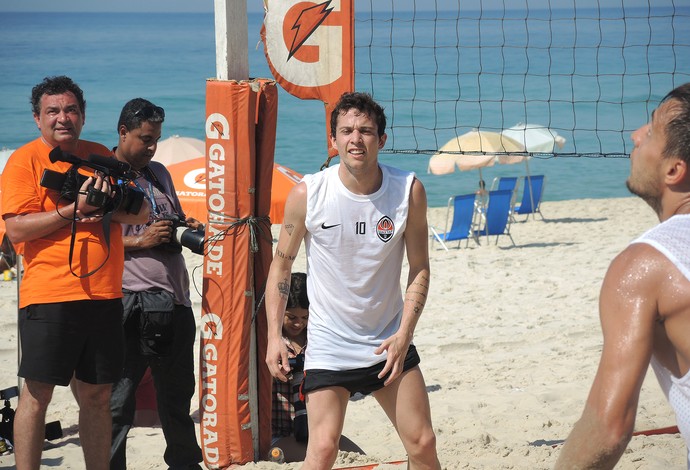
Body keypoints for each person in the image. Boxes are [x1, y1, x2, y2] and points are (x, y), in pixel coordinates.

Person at [265, 91, 441, 470]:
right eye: (346, 131)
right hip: (330, 344)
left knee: (423, 443)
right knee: (323, 449)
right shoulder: (308, 194)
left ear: (382, 139)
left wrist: (405, 333)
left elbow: (420, 267)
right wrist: (273, 337)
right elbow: (280, 267)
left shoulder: (408, 191)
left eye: (365, 130)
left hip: (387, 339)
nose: (355, 139)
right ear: (333, 140)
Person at [1, 76, 150, 470]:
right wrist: (73, 210)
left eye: (70, 110)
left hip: (103, 293)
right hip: (49, 295)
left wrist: (105, 203)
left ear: (82, 116)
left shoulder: (101, 155)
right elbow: (16, 229)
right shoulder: (23, 160)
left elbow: (141, 212)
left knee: (98, 396)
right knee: (37, 395)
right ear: (37, 119)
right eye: (53, 111)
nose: (62, 118)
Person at [555, 82, 690, 469]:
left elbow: (608, 427)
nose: (635, 135)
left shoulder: (646, 264)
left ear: (674, 169)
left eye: (650, 131)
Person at [108, 98, 203, 470]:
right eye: (145, 139)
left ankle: (185, 464)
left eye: (156, 140)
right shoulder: (104, 173)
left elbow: (171, 218)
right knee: (119, 402)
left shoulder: (159, 172)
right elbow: (89, 237)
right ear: (122, 132)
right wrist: (140, 241)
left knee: (178, 398)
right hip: (127, 299)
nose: (151, 147)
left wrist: (184, 226)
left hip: (174, 299)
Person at [270, 272, 363, 463]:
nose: (299, 323)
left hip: (317, 433)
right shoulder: (271, 345)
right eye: (291, 316)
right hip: (278, 436)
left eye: (305, 317)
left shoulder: (318, 339)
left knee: (360, 458)